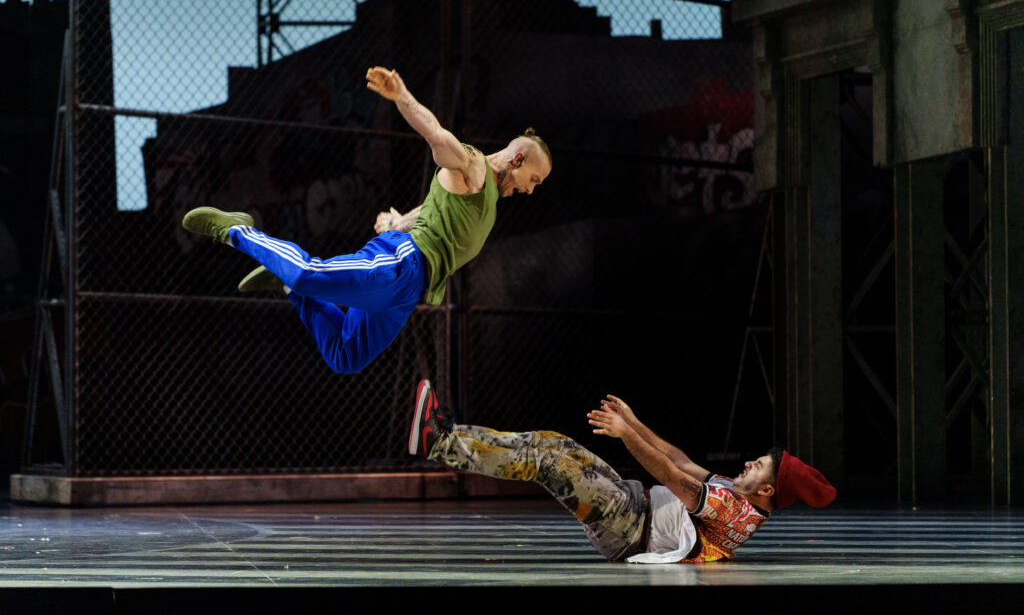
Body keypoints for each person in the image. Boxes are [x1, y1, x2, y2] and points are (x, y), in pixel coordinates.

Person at [181, 66, 552, 374]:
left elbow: (432, 213)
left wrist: (397, 222)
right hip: (402, 265)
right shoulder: (474, 168)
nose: (531, 190)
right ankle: (235, 229)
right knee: (308, 272)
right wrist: (402, 97)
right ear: (518, 160)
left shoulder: (482, 199)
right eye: (534, 180)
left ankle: (287, 287)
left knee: (346, 356)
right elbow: (436, 135)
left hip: (409, 291)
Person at [408, 379, 836, 563]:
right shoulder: (742, 497)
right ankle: (444, 435)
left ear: (765, 491)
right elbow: (680, 458)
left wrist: (624, 434)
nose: (749, 462)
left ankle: (439, 441)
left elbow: (672, 475)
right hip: (632, 505)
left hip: (628, 528)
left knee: (547, 462)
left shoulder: (732, 509)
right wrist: (633, 422)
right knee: (554, 443)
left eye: (757, 466)